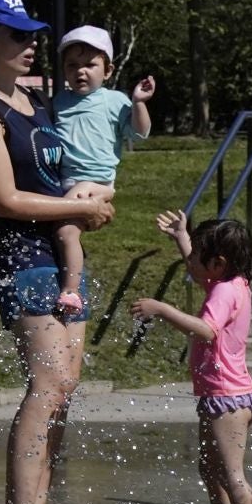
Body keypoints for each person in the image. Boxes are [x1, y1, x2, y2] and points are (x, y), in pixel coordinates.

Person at [0, 0, 114, 504]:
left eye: (31, 35)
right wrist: (76, 210)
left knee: (63, 393)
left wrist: (89, 198)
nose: (31, 45)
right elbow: (4, 200)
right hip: (22, 261)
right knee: (47, 389)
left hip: (61, 257)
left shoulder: (32, 99)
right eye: (17, 36)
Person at [130, 212, 252, 504]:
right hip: (220, 395)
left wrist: (162, 309)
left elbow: (207, 331)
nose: (190, 263)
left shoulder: (225, 290)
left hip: (228, 398)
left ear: (218, 263)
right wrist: (182, 237)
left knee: (231, 474)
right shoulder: (231, 282)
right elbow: (200, 269)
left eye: (196, 256)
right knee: (210, 469)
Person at [50, 25, 156, 315]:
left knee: (65, 231)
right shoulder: (59, 102)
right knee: (60, 233)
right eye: (72, 65)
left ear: (107, 71)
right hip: (67, 182)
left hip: (96, 183)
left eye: (90, 65)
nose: (81, 71)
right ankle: (67, 282)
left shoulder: (114, 101)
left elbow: (138, 134)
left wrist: (139, 103)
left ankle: (70, 292)